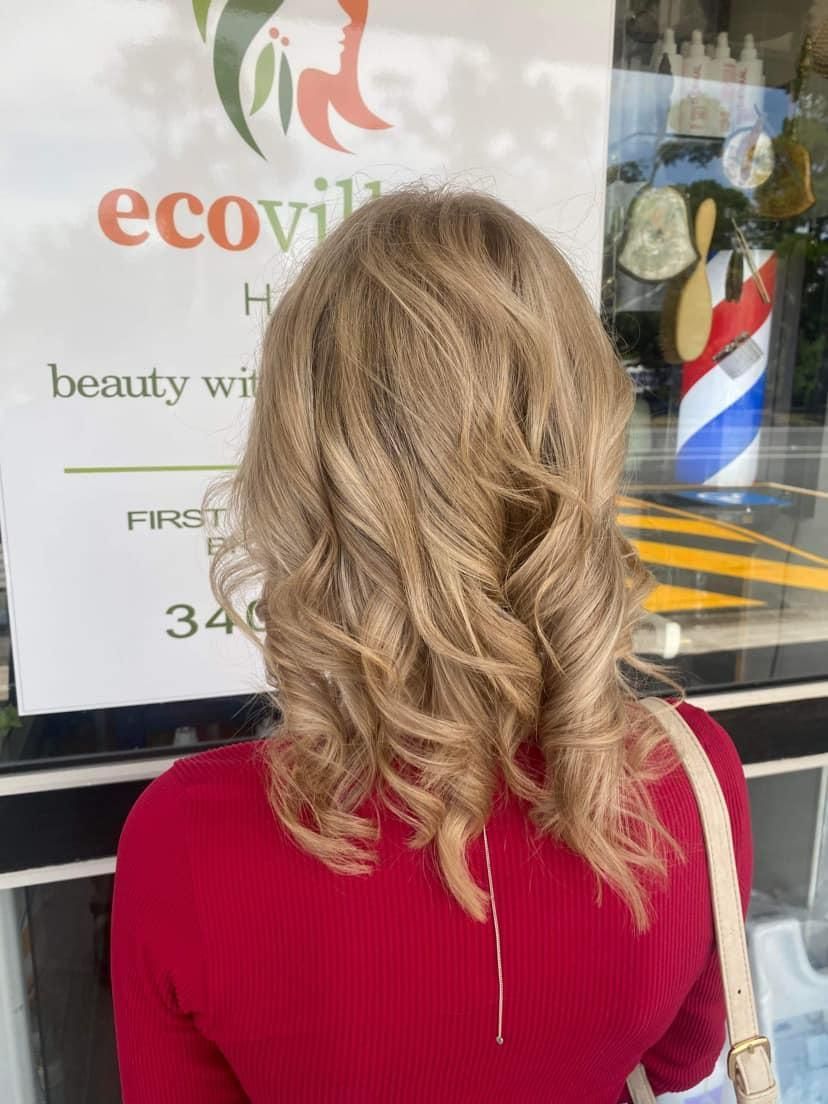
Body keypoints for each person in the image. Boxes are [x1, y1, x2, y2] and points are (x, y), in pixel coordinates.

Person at [111, 187, 752, 1103]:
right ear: (586, 447)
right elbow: (679, 1062)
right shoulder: (692, 775)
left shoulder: (185, 839)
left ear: (299, 475)